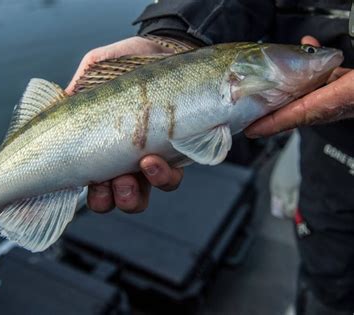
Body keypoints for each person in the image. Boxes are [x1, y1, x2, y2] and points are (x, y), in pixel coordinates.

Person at [66, 1, 354, 314]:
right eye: (309, 54)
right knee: (331, 273)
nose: (318, 56)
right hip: (332, 157)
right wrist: (175, 34)